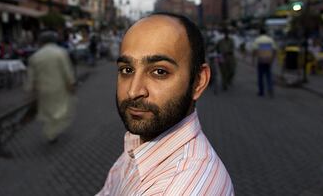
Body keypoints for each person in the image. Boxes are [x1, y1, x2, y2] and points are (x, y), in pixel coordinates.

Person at [97, 12, 234, 195]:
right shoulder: (139, 143)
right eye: (127, 70)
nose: (134, 91)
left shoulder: (180, 188)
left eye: (159, 72)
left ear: (199, 81)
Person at [25, 31, 76, 143]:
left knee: (48, 111)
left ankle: (51, 132)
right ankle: (51, 133)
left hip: (43, 89)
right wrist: (71, 84)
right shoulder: (60, 53)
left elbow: (31, 77)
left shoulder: (35, 57)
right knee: (61, 110)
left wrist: (30, 90)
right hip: (59, 88)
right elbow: (67, 71)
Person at [252, 28, 277, 97]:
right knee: (268, 76)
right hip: (268, 60)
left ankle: (261, 91)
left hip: (261, 60)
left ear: (260, 33)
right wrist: (272, 59)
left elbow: (254, 50)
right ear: (266, 33)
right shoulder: (270, 40)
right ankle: (270, 88)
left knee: (260, 76)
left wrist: (253, 60)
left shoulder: (257, 40)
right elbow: (274, 50)